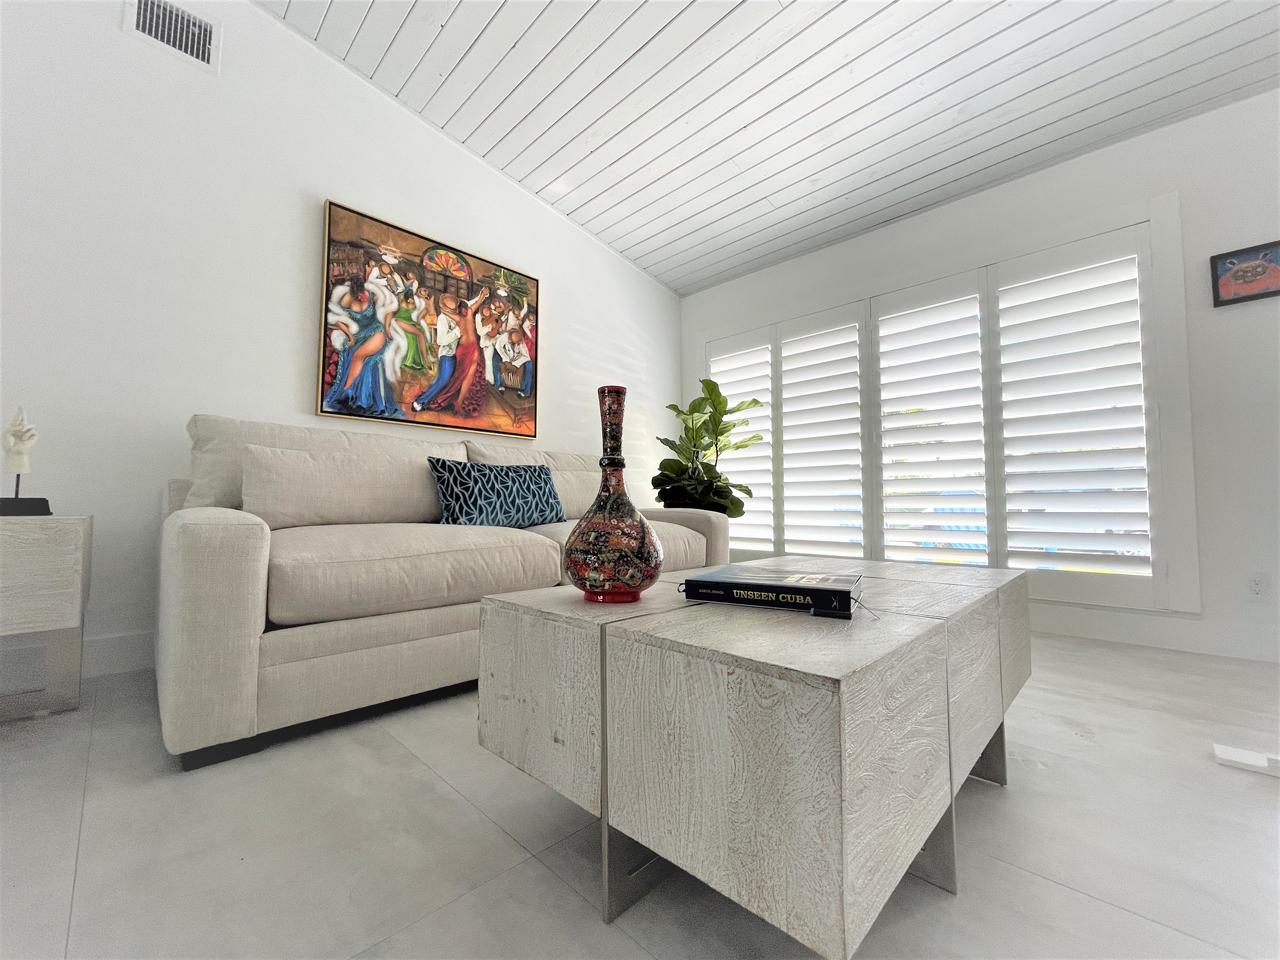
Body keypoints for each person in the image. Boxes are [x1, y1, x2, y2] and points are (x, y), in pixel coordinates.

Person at [323, 277, 400, 417]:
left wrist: (388, 328)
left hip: (377, 332)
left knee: (358, 355)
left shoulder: (372, 294)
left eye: (363, 291)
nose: (362, 295)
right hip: (360, 336)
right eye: (358, 293)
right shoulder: (346, 299)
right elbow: (337, 319)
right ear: (353, 291)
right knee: (349, 353)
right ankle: (350, 394)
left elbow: (389, 308)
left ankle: (348, 392)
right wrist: (350, 335)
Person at [412, 287, 489, 414]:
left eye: (455, 308)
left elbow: (471, 305)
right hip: (448, 354)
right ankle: (419, 402)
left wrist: (482, 295)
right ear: (445, 309)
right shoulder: (443, 319)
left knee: (457, 378)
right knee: (444, 379)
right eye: (451, 309)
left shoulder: (460, 310)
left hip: (460, 353)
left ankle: (450, 401)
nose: (456, 311)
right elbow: (440, 341)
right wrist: (458, 331)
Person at [495, 326, 534, 398]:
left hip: (517, 360)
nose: (516, 343)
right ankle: (499, 386)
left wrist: (515, 364)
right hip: (504, 355)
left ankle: (525, 392)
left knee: (529, 366)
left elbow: (526, 356)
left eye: (517, 342)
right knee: (496, 360)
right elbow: (498, 346)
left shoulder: (521, 342)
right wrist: (506, 359)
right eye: (513, 341)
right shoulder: (504, 337)